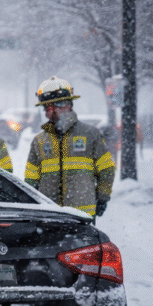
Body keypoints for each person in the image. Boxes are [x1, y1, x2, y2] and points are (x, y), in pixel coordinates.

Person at [24, 76, 115, 218]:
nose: (52, 111)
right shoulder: (39, 141)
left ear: (69, 105)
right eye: (48, 107)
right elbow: (31, 179)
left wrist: (103, 197)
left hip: (81, 215)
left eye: (58, 104)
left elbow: (106, 169)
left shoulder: (90, 134)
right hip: (49, 215)